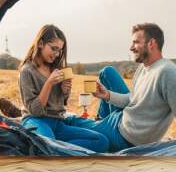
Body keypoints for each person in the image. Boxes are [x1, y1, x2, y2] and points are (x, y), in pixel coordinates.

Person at [62, 22, 176, 152]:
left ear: (151, 43)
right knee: (107, 72)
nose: (131, 47)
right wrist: (108, 95)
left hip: (123, 136)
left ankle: (86, 125)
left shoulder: (170, 73)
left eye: (135, 42)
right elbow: (133, 99)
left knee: (74, 122)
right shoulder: (144, 67)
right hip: (120, 120)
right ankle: (100, 122)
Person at [13, 24, 109, 153]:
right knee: (48, 146)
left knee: (101, 141)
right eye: (54, 49)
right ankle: (56, 149)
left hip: (57, 122)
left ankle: (57, 149)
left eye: (59, 51)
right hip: (36, 120)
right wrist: (49, 83)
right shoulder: (27, 71)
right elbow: (35, 111)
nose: (57, 54)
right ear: (41, 43)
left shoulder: (56, 69)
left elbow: (59, 103)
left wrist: (64, 92)